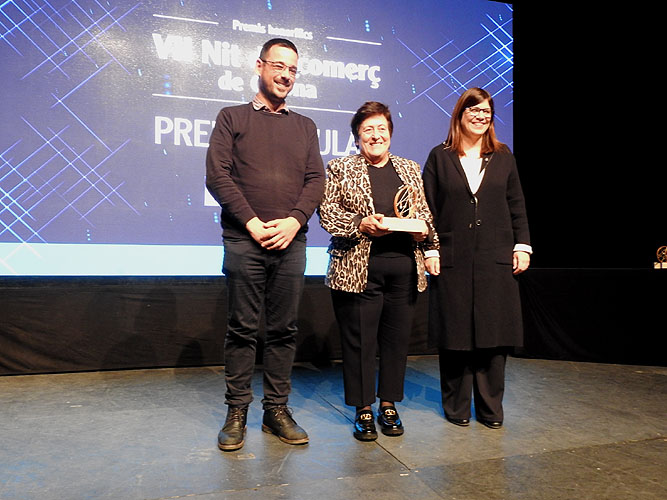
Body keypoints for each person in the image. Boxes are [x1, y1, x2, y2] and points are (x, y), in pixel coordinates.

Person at [205, 38, 325, 451]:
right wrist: (253, 223)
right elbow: (217, 176)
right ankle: (237, 411)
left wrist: (295, 221)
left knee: (283, 330)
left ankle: (276, 410)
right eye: (278, 66)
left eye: (292, 69)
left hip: (291, 242)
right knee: (241, 329)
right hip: (244, 240)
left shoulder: (305, 126)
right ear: (259, 66)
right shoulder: (231, 117)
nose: (285, 75)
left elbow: (316, 180)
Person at [319, 101, 439, 441]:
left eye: (381, 129)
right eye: (368, 130)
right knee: (360, 343)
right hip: (358, 271)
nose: (375, 135)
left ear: (390, 134)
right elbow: (327, 213)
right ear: (357, 136)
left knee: (396, 342)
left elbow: (424, 214)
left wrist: (425, 234)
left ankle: (388, 405)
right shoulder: (340, 168)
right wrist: (361, 223)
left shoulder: (409, 168)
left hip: (403, 270)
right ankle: (362, 409)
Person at [422, 87, 531, 429]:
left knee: (493, 333)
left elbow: (516, 204)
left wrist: (522, 245)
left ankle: (490, 409)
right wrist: (430, 248)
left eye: (486, 112)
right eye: (475, 110)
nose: (481, 117)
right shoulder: (440, 157)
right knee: (455, 333)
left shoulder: (503, 156)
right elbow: (427, 208)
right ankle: (457, 407)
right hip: (452, 257)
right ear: (460, 114)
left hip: (494, 258)